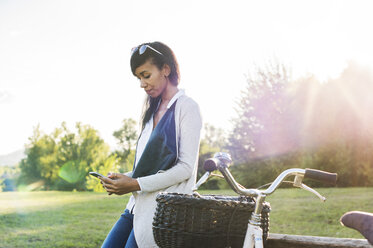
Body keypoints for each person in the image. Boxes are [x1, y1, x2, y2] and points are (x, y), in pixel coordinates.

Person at [99, 41, 202, 248]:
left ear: (166, 69)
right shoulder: (151, 112)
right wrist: (123, 178)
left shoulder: (187, 108)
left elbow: (185, 169)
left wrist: (134, 184)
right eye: (139, 78)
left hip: (161, 212)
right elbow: (150, 167)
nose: (142, 84)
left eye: (146, 75)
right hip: (135, 207)